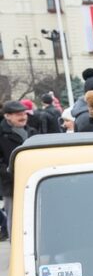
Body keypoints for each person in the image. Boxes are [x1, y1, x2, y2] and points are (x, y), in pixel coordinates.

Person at [1, 101, 39, 238]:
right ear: (7, 116)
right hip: (11, 184)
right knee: (14, 219)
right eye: (18, 114)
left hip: (33, 179)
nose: (23, 117)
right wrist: (11, 173)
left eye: (24, 113)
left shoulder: (31, 131)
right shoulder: (2, 134)